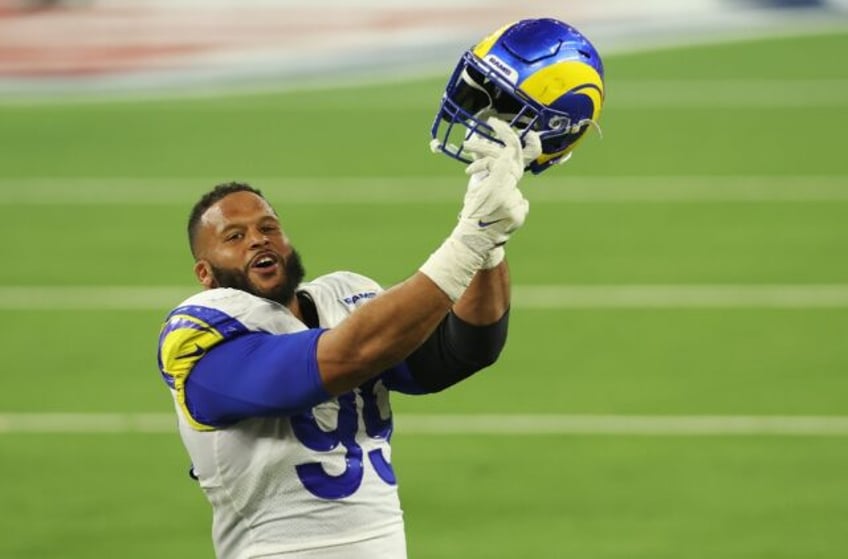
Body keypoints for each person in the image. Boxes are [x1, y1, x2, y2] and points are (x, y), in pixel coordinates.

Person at [156, 117, 541, 559]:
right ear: (205, 273)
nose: (257, 241)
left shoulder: (345, 298)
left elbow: (464, 349)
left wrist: (490, 241)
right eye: (234, 236)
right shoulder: (202, 337)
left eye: (268, 227)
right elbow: (339, 360)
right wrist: (468, 240)